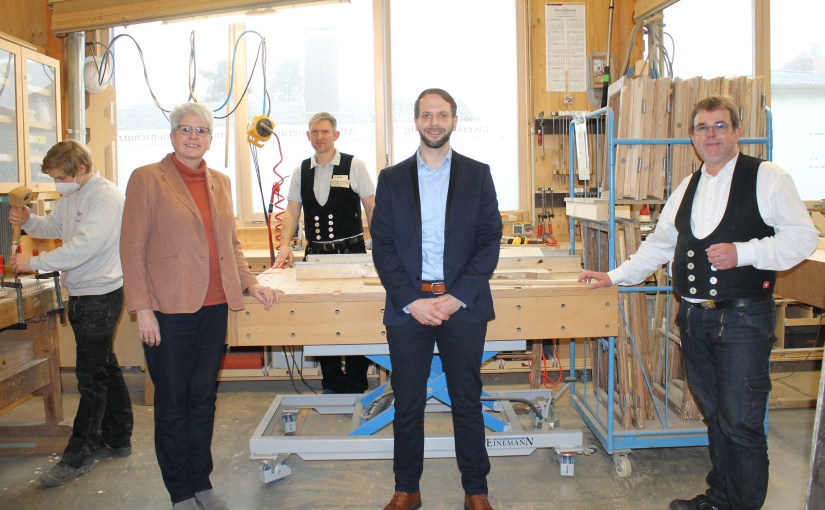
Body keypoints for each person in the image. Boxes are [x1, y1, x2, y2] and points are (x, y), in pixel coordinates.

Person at [578, 95, 818, 510]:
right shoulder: (688, 186)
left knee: (741, 423)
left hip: (742, 320)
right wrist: (613, 277)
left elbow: (803, 237)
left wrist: (743, 253)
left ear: (737, 132)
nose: (711, 135)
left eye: (720, 126)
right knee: (716, 417)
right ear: (692, 137)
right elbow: (659, 245)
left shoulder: (767, 178)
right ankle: (720, 498)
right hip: (693, 320)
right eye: (703, 128)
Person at [120, 103, 282, 510]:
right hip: (168, 311)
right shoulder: (147, 179)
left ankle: (201, 481)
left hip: (214, 308)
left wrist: (251, 282)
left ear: (211, 137)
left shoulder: (221, 182)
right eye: (185, 129)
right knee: (173, 401)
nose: (193, 136)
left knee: (203, 399)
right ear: (172, 135)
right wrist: (142, 308)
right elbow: (131, 248)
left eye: (202, 130)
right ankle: (180, 491)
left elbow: (232, 245)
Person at [371, 88, 502, 510]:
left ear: (454, 121)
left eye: (441, 115)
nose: (434, 122)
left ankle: (476, 492)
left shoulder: (478, 174)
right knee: (407, 401)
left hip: (461, 306)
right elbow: (383, 246)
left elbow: (489, 240)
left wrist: (456, 296)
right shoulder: (391, 179)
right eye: (426, 115)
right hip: (409, 307)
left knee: (467, 399)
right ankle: (407, 489)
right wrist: (413, 300)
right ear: (416, 122)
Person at [9, 140, 134, 488]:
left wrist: (33, 263)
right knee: (104, 367)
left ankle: (80, 453)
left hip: (100, 294)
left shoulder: (105, 197)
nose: (57, 184)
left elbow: (83, 248)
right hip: (82, 292)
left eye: (61, 177)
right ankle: (118, 437)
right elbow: (56, 229)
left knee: (89, 377)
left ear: (80, 169)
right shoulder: (73, 195)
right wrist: (31, 220)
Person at [274, 112, 375, 394]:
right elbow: (292, 210)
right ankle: (331, 381)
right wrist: (284, 245)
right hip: (315, 256)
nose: (320, 137)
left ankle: (356, 382)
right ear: (308, 136)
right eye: (315, 132)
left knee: (356, 318)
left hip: (352, 254)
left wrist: (382, 246)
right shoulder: (301, 170)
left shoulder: (354, 165)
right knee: (320, 319)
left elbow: (371, 206)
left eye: (325, 132)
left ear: (336, 135)